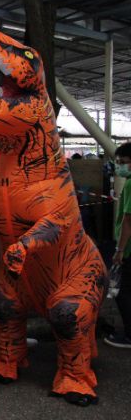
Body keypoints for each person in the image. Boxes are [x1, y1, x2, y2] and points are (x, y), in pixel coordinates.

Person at [106, 141, 131, 348]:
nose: (120, 166)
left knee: (123, 292)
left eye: (123, 162)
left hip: (129, 248)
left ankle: (129, 335)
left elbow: (128, 221)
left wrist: (119, 250)